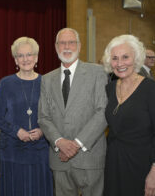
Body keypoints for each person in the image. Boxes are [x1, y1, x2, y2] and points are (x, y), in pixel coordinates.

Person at [38, 28, 108, 196]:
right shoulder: (47, 79)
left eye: (71, 42)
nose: (67, 46)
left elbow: (102, 112)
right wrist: (60, 142)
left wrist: (75, 144)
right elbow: (43, 117)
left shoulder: (97, 72)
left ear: (79, 45)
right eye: (62, 43)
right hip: (59, 159)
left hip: (89, 157)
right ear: (56, 47)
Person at [102, 34, 155, 196]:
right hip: (114, 163)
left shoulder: (151, 89)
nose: (120, 63)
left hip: (143, 164)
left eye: (125, 57)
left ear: (136, 58)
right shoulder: (109, 89)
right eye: (115, 58)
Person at [0, 37, 53, 196]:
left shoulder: (46, 82)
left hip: (40, 151)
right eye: (20, 55)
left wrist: (42, 130)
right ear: (15, 59)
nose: (25, 59)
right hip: (13, 150)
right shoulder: (6, 83)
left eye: (29, 54)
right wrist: (16, 131)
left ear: (37, 57)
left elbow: (54, 115)